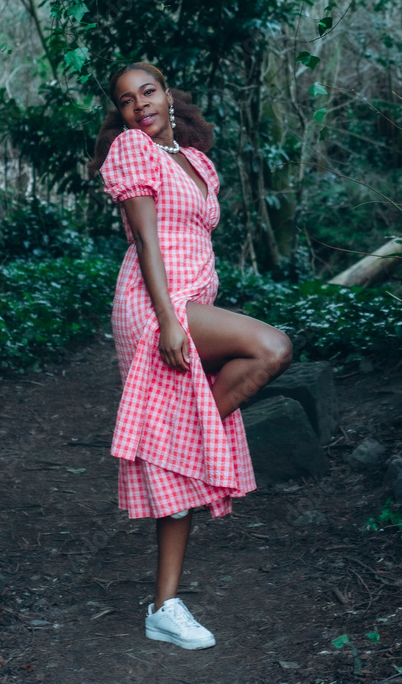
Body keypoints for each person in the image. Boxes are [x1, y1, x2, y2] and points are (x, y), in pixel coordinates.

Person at [90, 61, 292, 650]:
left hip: (187, 302)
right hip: (156, 304)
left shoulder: (198, 163)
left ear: (169, 96)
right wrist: (171, 321)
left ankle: (164, 607)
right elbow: (149, 242)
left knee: (177, 465)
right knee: (272, 346)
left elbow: (195, 237)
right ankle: (183, 434)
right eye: (126, 100)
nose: (139, 106)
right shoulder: (132, 150)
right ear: (121, 114)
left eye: (147, 92)